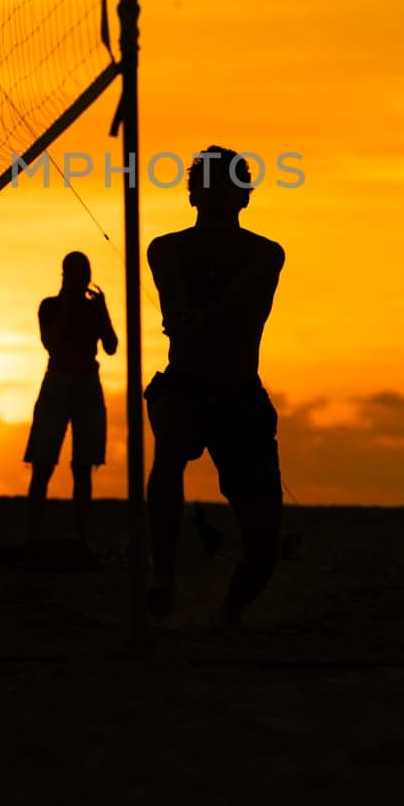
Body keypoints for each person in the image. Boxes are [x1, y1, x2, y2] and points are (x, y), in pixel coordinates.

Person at [144, 145, 285, 626]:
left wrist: (199, 317)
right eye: (210, 183)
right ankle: (163, 578)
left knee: (264, 546)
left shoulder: (267, 253)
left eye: (228, 184)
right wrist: (186, 316)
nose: (221, 192)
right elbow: (175, 299)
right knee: (169, 450)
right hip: (184, 387)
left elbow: (238, 299)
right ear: (193, 195)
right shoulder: (166, 248)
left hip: (240, 396)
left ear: (243, 197)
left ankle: (226, 614)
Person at [24, 251, 118, 545]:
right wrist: (68, 306)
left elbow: (112, 346)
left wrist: (103, 311)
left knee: (84, 465)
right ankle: (33, 535)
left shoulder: (93, 309)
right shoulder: (50, 306)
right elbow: (51, 343)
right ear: (65, 275)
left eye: (85, 272)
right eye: (77, 272)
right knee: (42, 462)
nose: (82, 278)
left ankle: (81, 536)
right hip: (58, 382)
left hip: (88, 383)